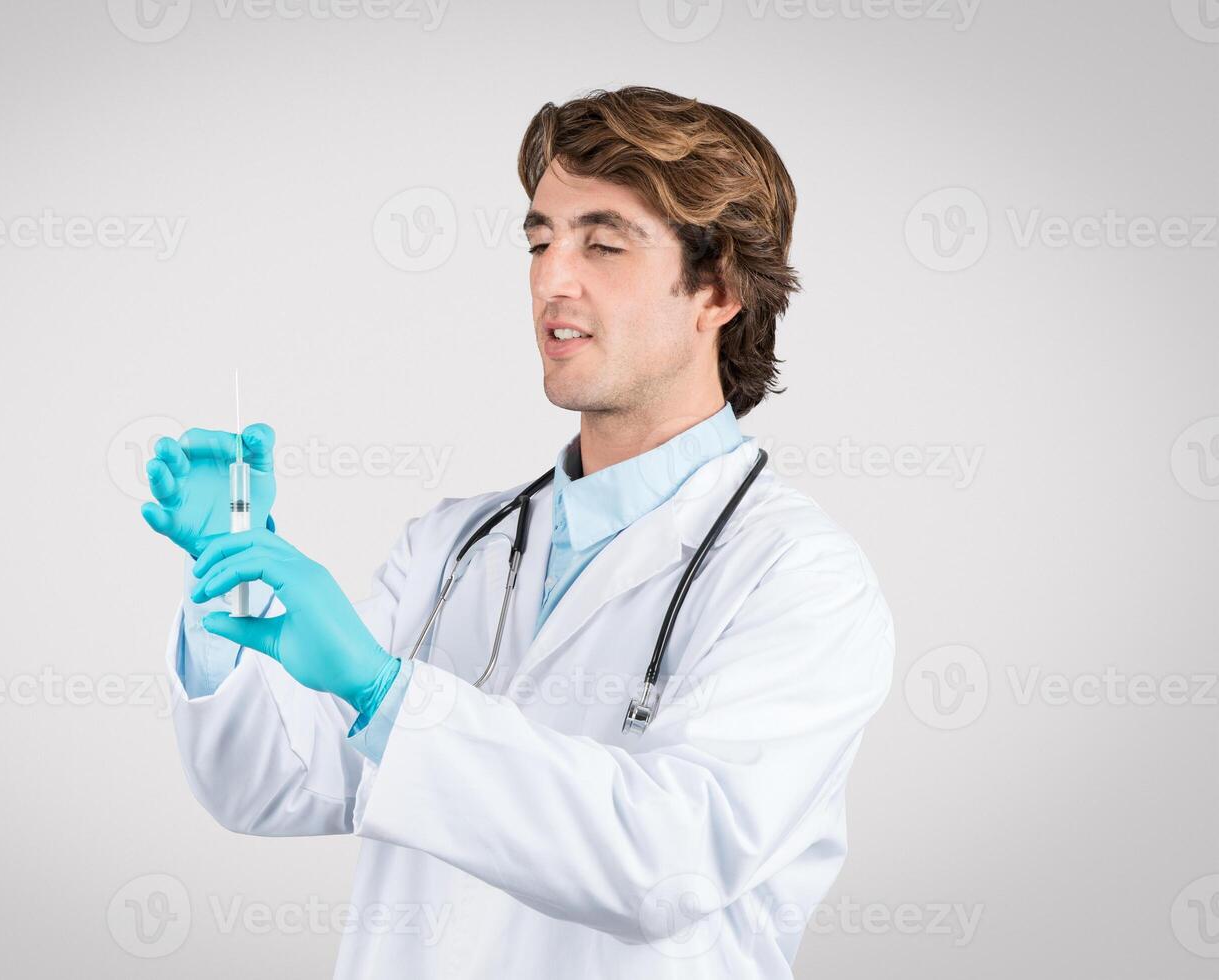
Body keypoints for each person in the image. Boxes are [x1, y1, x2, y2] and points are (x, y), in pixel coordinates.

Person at [139, 85, 895, 978]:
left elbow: (668, 863)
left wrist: (386, 693)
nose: (550, 278)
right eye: (540, 240)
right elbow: (269, 784)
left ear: (718, 286)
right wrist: (232, 570)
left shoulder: (799, 577)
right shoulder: (455, 548)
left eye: (602, 243)